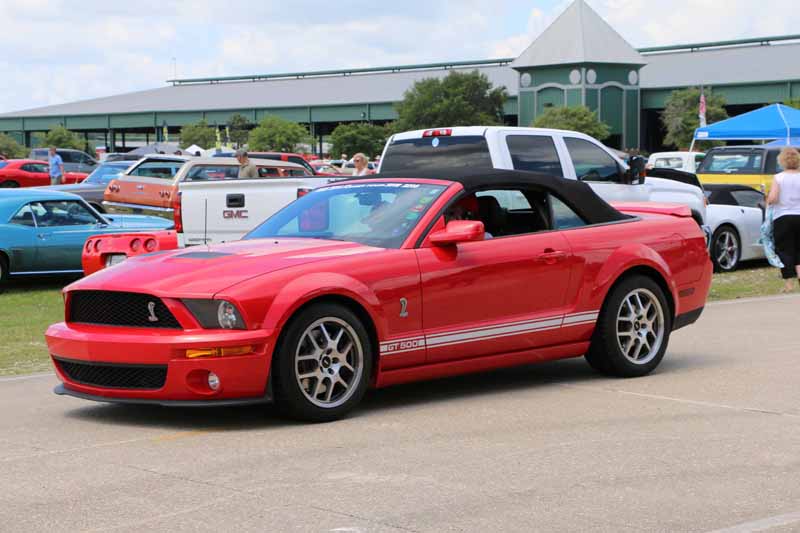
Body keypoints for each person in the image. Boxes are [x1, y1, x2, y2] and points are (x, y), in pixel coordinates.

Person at [767, 147, 800, 292]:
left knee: (785, 250)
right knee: (799, 248)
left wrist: (768, 199)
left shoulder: (779, 177)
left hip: (782, 217)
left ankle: (788, 283)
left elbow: (773, 198)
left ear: (782, 161)